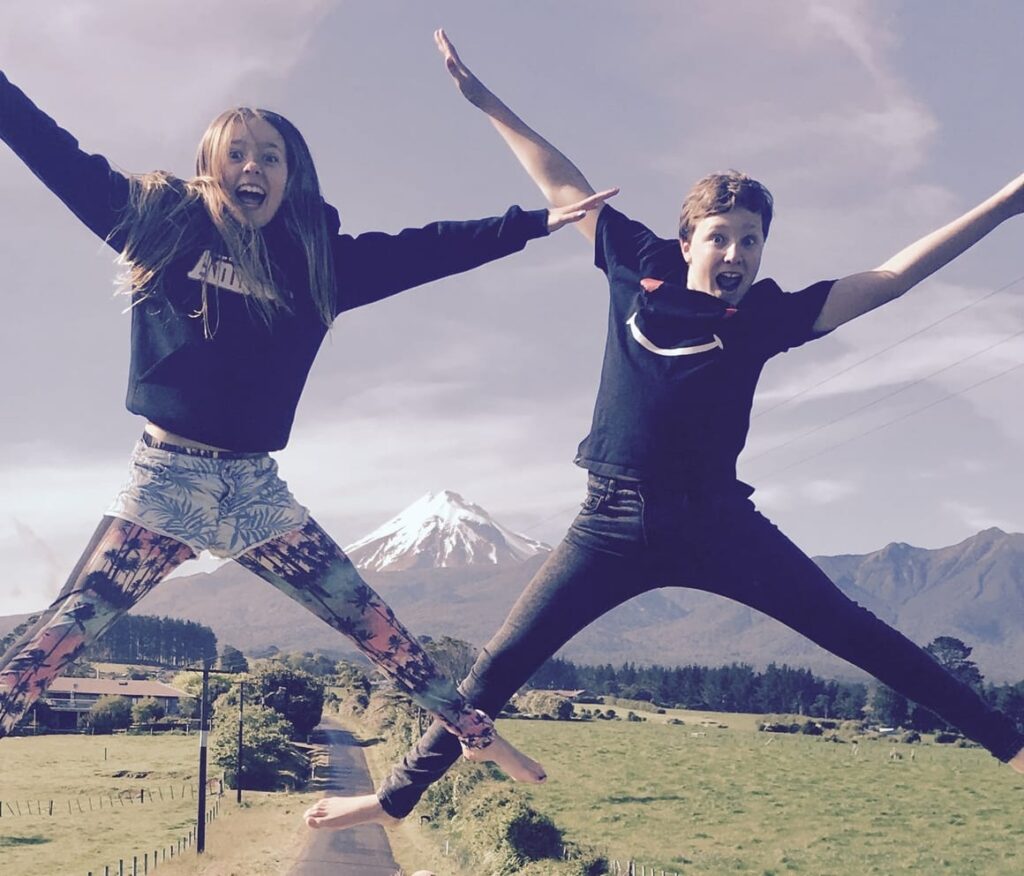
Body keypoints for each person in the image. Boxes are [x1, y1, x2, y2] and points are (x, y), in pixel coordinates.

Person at [301, 29, 1024, 830]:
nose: (737, 252)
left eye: (751, 240)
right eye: (721, 236)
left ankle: (1012, 745)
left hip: (718, 524)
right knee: (497, 665)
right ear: (688, 242)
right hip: (608, 522)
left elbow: (890, 278)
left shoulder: (764, 317)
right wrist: (486, 104)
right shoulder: (633, 262)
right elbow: (564, 181)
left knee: (855, 632)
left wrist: (1005, 202)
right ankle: (395, 799)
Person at [0, 64, 614, 782]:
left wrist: (532, 224)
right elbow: (54, 152)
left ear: (291, 177)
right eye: (236, 153)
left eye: (269, 156)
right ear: (209, 167)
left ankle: (478, 738)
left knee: (379, 630)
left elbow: (426, 248)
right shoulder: (158, 228)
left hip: (256, 493)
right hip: (165, 484)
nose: (251, 167)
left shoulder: (318, 267)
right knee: (52, 648)